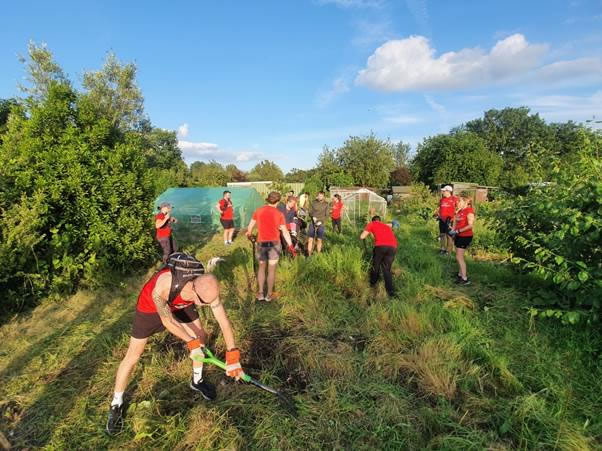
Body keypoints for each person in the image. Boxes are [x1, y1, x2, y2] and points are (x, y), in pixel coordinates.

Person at [105, 262, 245, 435]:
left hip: (180, 304)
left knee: (201, 336)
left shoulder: (206, 288)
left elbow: (224, 323)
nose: (207, 306)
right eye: (204, 303)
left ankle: (197, 381)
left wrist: (232, 358)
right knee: (133, 356)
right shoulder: (166, 284)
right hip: (150, 308)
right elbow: (167, 321)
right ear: (194, 290)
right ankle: (116, 403)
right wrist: (191, 344)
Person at [246, 192, 295, 302]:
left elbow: (249, 228)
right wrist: (291, 245)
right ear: (278, 202)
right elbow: (285, 232)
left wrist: (249, 234)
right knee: (271, 270)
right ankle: (269, 295)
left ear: (267, 199)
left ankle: (260, 294)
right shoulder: (279, 214)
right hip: (274, 244)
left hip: (261, 243)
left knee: (262, 267)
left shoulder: (258, 211)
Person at [360, 216, 398, 298]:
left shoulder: (371, 224)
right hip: (393, 247)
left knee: (376, 265)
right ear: (380, 221)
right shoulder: (385, 225)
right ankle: (391, 292)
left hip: (380, 246)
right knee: (387, 269)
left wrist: (367, 231)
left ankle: (372, 284)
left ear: (373, 221)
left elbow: (362, 237)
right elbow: (394, 224)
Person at [447, 196, 475, 285]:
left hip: (465, 236)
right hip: (459, 236)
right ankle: (460, 274)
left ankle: (465, 279)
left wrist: (458, 231)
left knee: (459, 257)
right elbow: (456, 222)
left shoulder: (469, 211)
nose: (457, 203)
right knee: (459, 256)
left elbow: (470, 225)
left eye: (459, 201)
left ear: (466, 202)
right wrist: (453, 230)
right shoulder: (460, 211)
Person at [433, 185, 458, 255]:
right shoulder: (441, 200)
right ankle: (442, 249)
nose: (442, 192)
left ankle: (448, 251)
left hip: (450, 220)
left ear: (448, 191)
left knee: (449, 236)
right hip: (442, 220)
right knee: (442, 235)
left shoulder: (454, 199)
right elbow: (439, 208)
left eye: (444, 191)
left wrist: (456, 213)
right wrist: (437, 214)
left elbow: (459, 207)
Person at [308, 191, 329, 255]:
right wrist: (313, 216)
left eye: (321, 196)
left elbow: (327, 215)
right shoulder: (313, 202)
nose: (320, 197)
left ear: (323, 196)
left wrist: (321, 221)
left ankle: (318, 254)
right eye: (319, 196)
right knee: (310, 239)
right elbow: (310, 211)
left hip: (321, 223)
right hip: (313, 222)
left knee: (319, 239)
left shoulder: (326, 204)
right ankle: (309, 254)